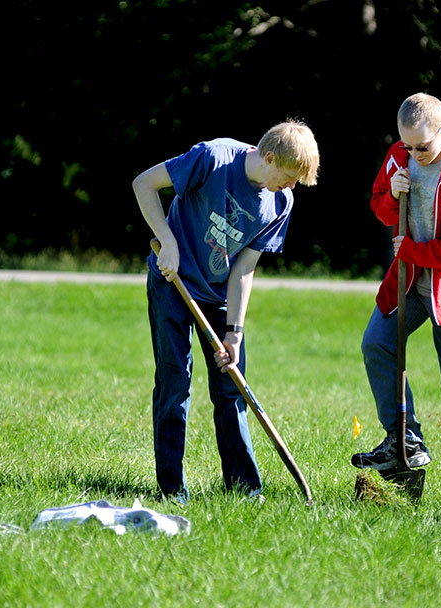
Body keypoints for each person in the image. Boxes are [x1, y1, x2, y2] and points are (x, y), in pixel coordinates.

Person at [132, 121, 320, 503]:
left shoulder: (279, 203)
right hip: (173, 283)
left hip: (219, 296)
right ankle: (172, 489)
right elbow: (143, 184)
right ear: (269, 158)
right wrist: (167, 243)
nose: (291, 186)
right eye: (288, 177)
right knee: (174, 385)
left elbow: (243, 269)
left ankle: (244, 489)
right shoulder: (213, 158)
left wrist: (235, 331)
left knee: (231, 388)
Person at [351, 93, 441, 504]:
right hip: (409, 282)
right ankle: (405, 442)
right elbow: (378, 206)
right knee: (377, 344)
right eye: (407, 145)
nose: (413, 154)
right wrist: (391, 196)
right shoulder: (399, 155)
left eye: (422, 147)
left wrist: (412, 251)